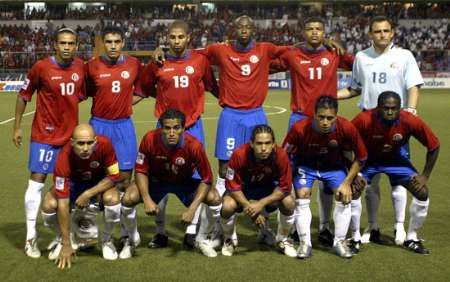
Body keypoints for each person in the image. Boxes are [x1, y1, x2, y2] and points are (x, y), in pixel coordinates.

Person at [270, 17, 354, 246]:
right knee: (292, 172)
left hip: (327, 122)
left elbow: (358, 65)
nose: (315, 32)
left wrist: (338, 47)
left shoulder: (334, 54)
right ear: (303, 32)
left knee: (328, 173)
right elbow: (266, 64)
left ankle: (325, 227)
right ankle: (292, 225)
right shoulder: (292, 55)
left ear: (324, 32)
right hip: (299, 120)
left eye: (319, 29)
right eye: (310, 29)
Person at [343, 15, 424, 245]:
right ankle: (373, 226)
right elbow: (355, 88)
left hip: (395, 124)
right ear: (370, 34)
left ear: (392, 33)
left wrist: (410, 110)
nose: (382, 35)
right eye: (377, 31)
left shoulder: (404, 55)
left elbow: (413, 86)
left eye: (386, 31)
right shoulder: (361, 57)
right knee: (369, 181)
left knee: (398, 178)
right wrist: (328, 95)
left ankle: (399, 227)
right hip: (368, 127)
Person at [140, 20, 218, 248]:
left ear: (188, 37)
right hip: (164, 128)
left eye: (180, 37)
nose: (176, 41)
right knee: (160, 176)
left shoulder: (200, 61)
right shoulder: (158, 62)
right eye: (172, 37)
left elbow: (212, 86)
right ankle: (161, 232)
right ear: (167, 38)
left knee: (195, 179)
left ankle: (191, 232)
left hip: (193, 126)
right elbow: (144, 88)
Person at [12, 27, 86, 258]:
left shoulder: (80, 67)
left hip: (70, 138)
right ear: (55, 44)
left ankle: (65, 235)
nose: (67, 47)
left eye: (71, 43)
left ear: (76, 46)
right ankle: (30, 238)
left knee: (67, 186)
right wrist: (17, 127)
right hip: (44, 135)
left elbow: (81, 95)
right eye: (63, 43)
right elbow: (24, 95)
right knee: (37, 182)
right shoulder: (41, 67)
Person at [120, 109, 222, 257]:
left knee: (215, 198)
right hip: (157, 182)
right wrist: (147, 199)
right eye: (167, 128)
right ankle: (132, 239)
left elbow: (207, 179)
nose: (172, 132)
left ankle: (202, 239)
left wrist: (192, 209)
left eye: (176, 128)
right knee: (128, 197)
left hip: (185, 182)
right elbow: (141, 170)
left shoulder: (194, 145)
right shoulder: (149, 139)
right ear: (161, 128)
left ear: (183, 128)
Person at [351, 91, 439, 254]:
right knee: (353, 191)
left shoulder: (409, 120)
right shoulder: (364, 119)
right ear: (378, 108)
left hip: (396, 161)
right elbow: (345, 143)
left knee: (422, 192)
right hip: (369, 161)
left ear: (400, 108)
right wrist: (353, 175)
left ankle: (411, 238)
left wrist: (424, 175)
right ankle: (355, 238)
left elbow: (434, 146)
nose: (390, 112)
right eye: (386, 108)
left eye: (394, 108)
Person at [283, 96, 367, 259]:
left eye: (330, 118)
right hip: (306, 167)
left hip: (333, 167)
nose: (325, 122)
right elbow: (284, 154)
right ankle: (305, 244)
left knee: (344, 195)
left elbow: (361, 157)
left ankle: (339, 243)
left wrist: (348, 181)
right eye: (321, 117)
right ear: (314, 115)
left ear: (336, 116)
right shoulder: (299, 128)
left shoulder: (346, 127)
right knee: (302, 196)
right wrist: (287, 183)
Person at [85, 26, 143, 250]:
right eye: (108, 42)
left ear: (123, 43)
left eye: (117, 41)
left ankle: (127, 232)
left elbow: (142, 89)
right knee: (96, 177)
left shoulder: (134, 64)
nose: (112, 46)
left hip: (123, 126)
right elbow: (85, 90)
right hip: (99, 125)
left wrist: (126, 104)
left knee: (125, 180)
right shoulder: (91, 66)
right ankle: (90, 233)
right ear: (102, 43)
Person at [41, 124, 122, 269]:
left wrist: (89, 193)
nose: (85, 148)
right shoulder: (63, 158)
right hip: (73, 185)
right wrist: (67, 245)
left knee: (113, 200)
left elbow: (115, 176)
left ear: (95, 141)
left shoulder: (105, 144)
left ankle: (106, 240)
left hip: (98, 184)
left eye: (89, 143)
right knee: (48, 205)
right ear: (72, 142)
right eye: (80, 143)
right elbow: (63, 203)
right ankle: (63, 238)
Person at [220, 125, 296, 258]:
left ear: (273, 144)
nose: (263, 148)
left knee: (289, 202)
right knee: (227, 205)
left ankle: (282, 239)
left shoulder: (281, 155)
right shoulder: (239, 154)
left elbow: (284, 187)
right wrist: (251, 209)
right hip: (244, 191)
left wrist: (261, 204)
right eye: (259, 143)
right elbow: (232, 185)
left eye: (267, 143)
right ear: (251, 143)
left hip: (268, 191)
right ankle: (229, 238)